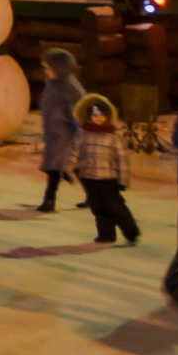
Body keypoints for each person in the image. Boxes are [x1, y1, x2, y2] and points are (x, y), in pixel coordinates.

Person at [72, 91, 142, 245]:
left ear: (107, 116)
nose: (98, 118)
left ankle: (131, 231)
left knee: (115, 206)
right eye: (95, 115)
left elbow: (122, 160)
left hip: (108, 178)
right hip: (89, 177)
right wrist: (68, 167)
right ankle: (106, 234)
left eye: (101, 115)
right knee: (98, 207)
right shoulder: (83, 134)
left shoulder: (112, 137)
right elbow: (75, 151)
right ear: (89, 116)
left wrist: (123, 180)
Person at [36, 46, 83, 211]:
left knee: (55, 168)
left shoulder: (70, 87)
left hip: (66, 136)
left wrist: (79, 134)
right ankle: (93, 196)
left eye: (48, 67)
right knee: (74, 168)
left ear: (59, 68)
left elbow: (79, 111)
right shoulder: (52, 84)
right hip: (53, 135)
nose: (46, 71)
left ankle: (49, 201)